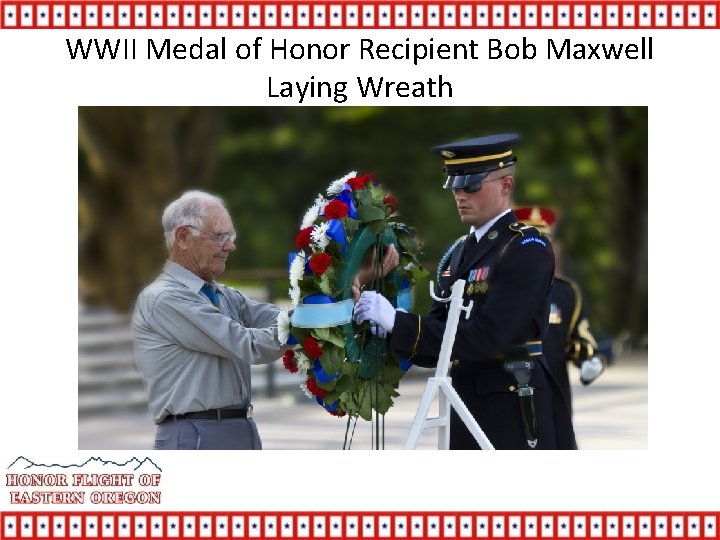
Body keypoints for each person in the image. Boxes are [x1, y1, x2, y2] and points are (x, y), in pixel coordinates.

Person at [353, 133, 576, 450]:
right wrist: (390, 327)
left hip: (512, 406)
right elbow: (437, 346)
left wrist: (400, 324)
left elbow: (490, 337)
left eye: (471, 185)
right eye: (455, 186)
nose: (460, 194)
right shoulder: (458, 252)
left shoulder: (525, 247)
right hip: (463, 401)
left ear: (506, 186)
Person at [131, 191, 287, 450]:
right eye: (220, 236)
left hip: (236, 428)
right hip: (197, 435)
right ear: (183, 237)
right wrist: (310, 324)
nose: (230, 245)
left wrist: (333, 304)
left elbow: (276, 318)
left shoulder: (219, 292)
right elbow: (248, 344)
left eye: (231, 236)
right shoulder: (165, 298)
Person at [514, 206, 605, 415]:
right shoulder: (497, 286)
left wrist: (590, 360)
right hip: (507, 393)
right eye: (528, 240)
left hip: (553, 396)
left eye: (544, 239)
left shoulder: (566, 293)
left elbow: (578, 340)